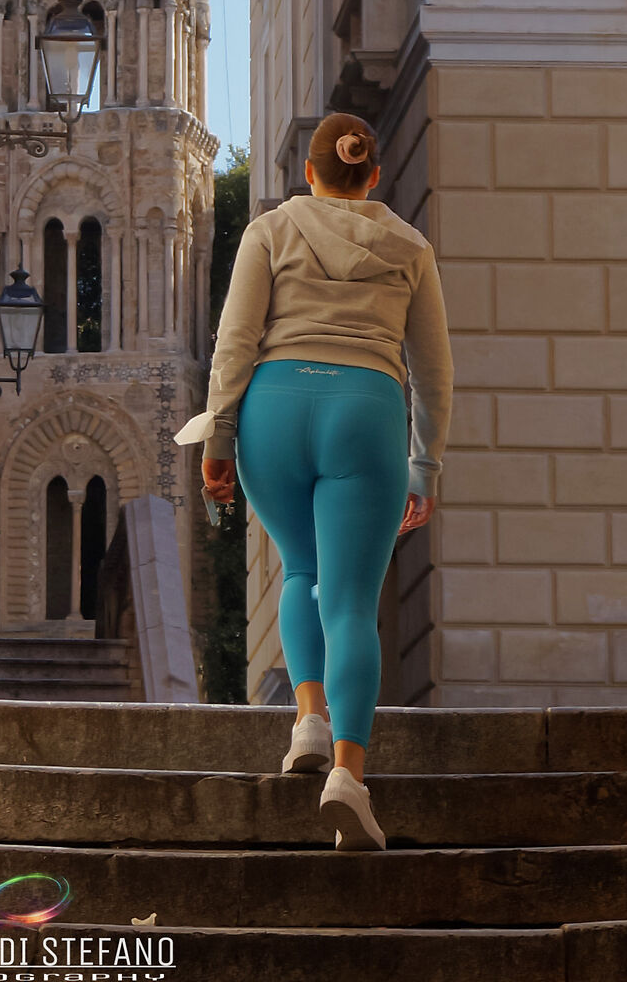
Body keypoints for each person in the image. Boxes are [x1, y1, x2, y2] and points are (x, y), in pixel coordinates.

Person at [174, 112, 453, 849]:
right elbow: (432, 369)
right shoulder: (410, 245)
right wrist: (425, 460)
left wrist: (220, 435)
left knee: (301, 571)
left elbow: (234, 339)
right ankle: (350, 779)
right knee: (354, 603)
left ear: (309, 170)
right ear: (375, 175)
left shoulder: (270, 231)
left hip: (274, 408)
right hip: (365, 409)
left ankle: (307, 721)